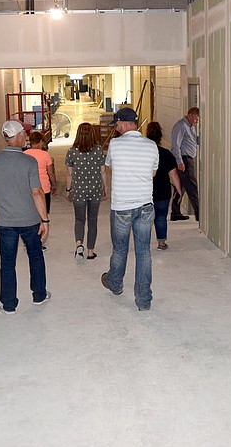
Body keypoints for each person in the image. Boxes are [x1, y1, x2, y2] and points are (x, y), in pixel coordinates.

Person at [0, 120, 51, 315]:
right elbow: (37, 192)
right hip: (30, 221)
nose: (25, 137)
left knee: (7, 261)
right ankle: (39, 295)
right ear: (18, 136)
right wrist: (44, 220)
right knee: (35, 256)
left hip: (6, 222)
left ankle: (9, 304)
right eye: (23, 134)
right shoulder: (29, 162)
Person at [101, 107, 159, 311]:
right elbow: (152, 173)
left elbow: (109, 167)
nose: (116, 128)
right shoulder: (152, 146)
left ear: (125, 123)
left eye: (117, 124)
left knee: (120, 249)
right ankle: (143, 300)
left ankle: (115, 283)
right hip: (145, 206)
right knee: (143, 251)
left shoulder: (115, 145)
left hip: (122, 207)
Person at [65, 123, 107, 261]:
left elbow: (69, 174)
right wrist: (105, 187)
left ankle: (79, 244)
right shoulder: (99, 150)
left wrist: (68, 189)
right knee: (93, 220)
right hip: (95, 190)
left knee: (79, 219)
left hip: (79, 191)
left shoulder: (72, 151)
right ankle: (90, 251)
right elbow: (102, 171)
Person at [146, 122, 183, 251]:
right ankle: (161, 243)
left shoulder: (143, 153)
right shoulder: (166, 154)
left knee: (145, 219)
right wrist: (179, 191)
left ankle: (144, 243)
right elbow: (173, 175)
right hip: (163, 192)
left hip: (145, 192)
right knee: (161, 217)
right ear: (160, 136)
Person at [170, 106, 200, 221]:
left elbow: (192, 140)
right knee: (192, 187)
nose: (197, 122)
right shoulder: (181, 126)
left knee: (180, 187)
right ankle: (199, 214)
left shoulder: (190, 127)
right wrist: (179, 162)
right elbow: (175, 145)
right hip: (184, 160)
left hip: (188, 159)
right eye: (196, 119)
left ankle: (175, 213)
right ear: (190, 115)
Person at [24, 131, 58, 224]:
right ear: (40, 142)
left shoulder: (24, 154)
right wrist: (54, 185)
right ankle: (42, 229)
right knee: (43, 213)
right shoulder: (45, 154)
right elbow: (50, 173)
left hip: (29, 188)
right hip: (44, 188)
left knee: (31, 212)